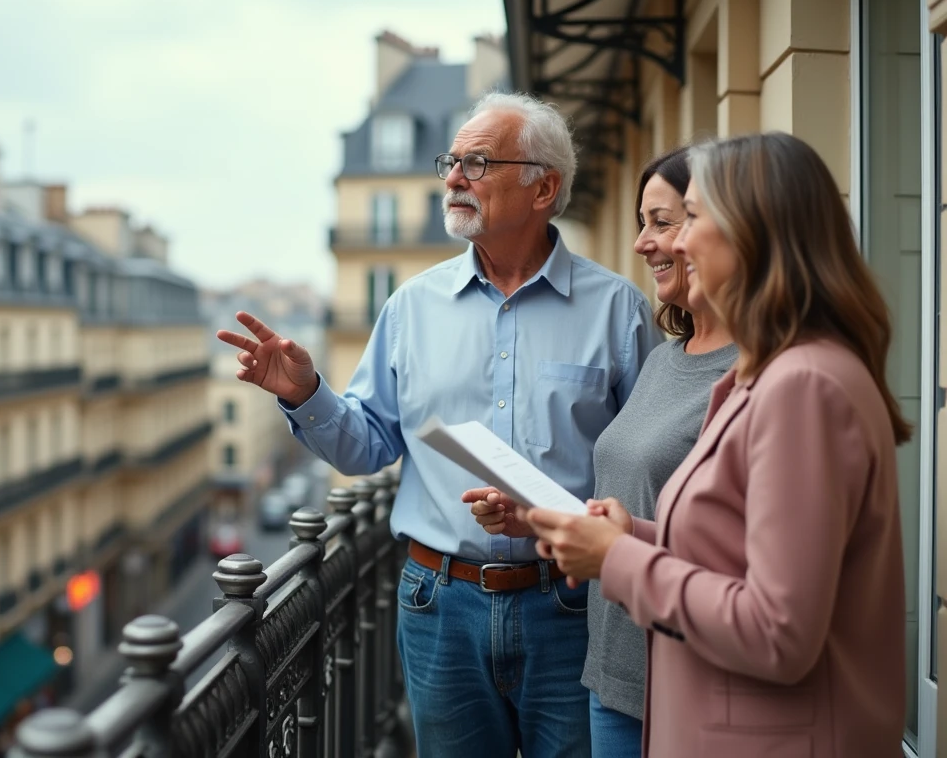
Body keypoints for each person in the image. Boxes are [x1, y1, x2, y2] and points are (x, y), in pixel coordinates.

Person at [216, 91, 662, 757]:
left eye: (478, 163)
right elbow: (367, 447)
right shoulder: (411, 308)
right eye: (451, 161)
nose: (453, 178)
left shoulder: (619, 313)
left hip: (572, 605)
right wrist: (306, 391)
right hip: (438, 607)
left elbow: (645, 464)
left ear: (544, 188)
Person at [519, 132, 908, 756]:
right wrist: (628, 537)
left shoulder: (803, 383)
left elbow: (777, 630)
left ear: (756, 232)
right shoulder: (776, 371)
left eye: (692, 217)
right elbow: (738, 556)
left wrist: (617, 560)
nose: (677, 241)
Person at [465, 144, 737, 758]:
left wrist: (617, 547)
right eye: (642, 223)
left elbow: (743, 556)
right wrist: (536, 518)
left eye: (663, 222)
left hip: (692, 683)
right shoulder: (666, 358)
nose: (643, 243)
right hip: (614, 671)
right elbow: (643, 504)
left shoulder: (761, 375)